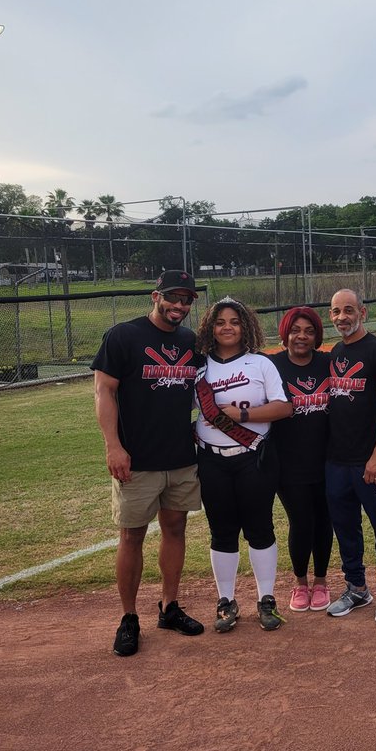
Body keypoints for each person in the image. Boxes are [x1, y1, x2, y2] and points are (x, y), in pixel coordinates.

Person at [92, 269, 205, 657]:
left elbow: (204, 392)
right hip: (136, 459)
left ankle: (169, 607)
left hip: (179, 457)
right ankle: (128, 619)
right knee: (132, 536)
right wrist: (113, 445)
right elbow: (104, 391)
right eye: (173, 297)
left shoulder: (191, 342)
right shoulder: (124, 335)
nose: (180, 305)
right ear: (155, 296)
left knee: (175, 530)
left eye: (187, 299)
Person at [195, 297, 293, 634]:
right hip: (212, 459)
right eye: (220, 321)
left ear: (245, 326)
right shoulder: (199, 368)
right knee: (222, 531)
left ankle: (266, 599)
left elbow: (284, 408)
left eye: (234, 321)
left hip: (254, 458)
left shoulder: (260, 364)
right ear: (210, 327)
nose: (227, 327)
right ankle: (226, 601)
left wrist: (245, 415)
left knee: (259, 528)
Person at [324, 289, 376, 623]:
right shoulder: (335, 353)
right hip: (336, 461)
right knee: (345, 528)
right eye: (334, 311)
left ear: (362, 312)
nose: (341, 317)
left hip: (369, 460)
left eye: (347, 310)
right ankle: (356, 587)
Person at [268, 306, 334, 613]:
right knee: (300, 521)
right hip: (288, 461)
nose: (302, 337)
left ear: (317, 335)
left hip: (329, 459)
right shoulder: (272, 366)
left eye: (309, 331)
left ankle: (320, 582)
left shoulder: (328, 363)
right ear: (285, 333)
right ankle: (300, 582)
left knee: (324, 520)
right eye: (296, 330)